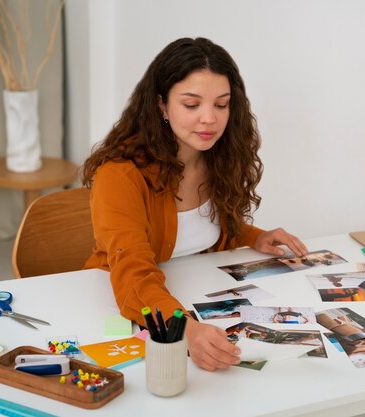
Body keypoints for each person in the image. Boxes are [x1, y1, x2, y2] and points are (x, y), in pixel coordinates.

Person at [81, 37, 308, 372]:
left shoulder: (218, 157)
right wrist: (184, 329)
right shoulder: (120, 175)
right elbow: (133, 272)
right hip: (128, 309)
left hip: (193, 298)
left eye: (221, 105)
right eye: (191, 105)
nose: (209, 119)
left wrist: (252, 237)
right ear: (161, 105)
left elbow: (201, 228)